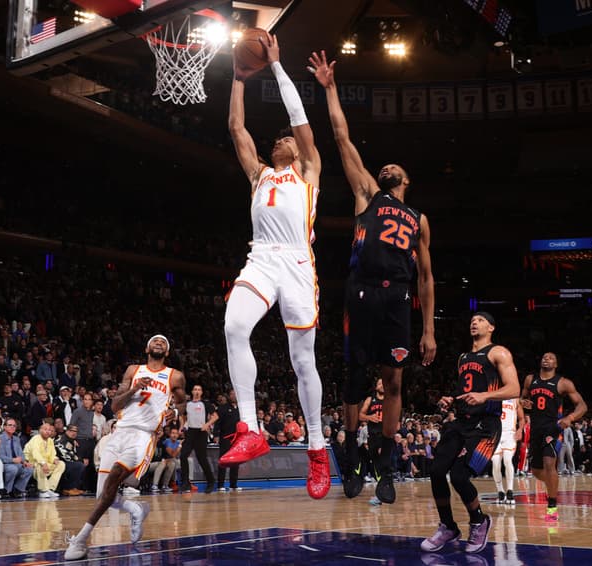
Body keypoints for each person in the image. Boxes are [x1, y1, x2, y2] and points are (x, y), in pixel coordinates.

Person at [308, 51, 436, 503]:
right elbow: (341, 138)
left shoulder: (418, 219)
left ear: (407, 179)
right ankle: (351, 453)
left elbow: (426, 278)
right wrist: (329, 88)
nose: (385, 168)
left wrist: (430, 330)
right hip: (361, 292)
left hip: (398, 299)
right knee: (355, 375)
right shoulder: (367, 194)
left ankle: (384, 463)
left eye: (393, 169)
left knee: (395, 380)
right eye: (383, 168)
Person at [221, 33, 330, 499]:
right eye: (280, 138)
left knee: (301, 360)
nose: (284, 137)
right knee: (233, 327)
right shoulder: (260, 173)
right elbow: (236, 129)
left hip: (298, 264)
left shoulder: (307, 169)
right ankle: (250, 426)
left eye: (288, 136)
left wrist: (279, 66)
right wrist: (240, 78)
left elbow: (299, 116)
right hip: (261, 257)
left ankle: (318, 450)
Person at [65, 335, 186, 561]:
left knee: (112, 483)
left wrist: (176, 413)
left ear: (167, 352)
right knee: (103, 495)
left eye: (164, 343)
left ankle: (81, 540)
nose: (159, 343)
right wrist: (134, 389)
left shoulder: (174, 375)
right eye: (155, 341)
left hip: (143, 436)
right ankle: (134, 509)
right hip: (119, 432)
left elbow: (181, 401)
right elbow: (115, 404)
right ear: (147, 347)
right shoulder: (133, 371)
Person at [421, 313, 519, 554]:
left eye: (481, 320)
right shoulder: (463, 358)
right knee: (435, 470)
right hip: (461, 422)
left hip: (486, 425)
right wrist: (450, 400)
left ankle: (479, 520)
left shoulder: (499, 353)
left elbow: (514, 388)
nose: (474, 322)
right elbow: (466, 391)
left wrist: (485, 396)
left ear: (491, 327)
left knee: (459, 476)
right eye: (472, 319)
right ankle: (448, 526)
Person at [521, 352, 587, 521]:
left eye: (551, 358)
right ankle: (552, 484)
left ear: (556, 364)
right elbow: (522, 398)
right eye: (544, 357)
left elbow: (582, 406)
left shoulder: (563, 383)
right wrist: (523, 402)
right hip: (535, 428)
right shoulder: (530, 379)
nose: (546, 359)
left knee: (550, 464)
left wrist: (570, 418)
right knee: (536, 471)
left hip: (553, 428)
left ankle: (552, 506)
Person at [179, 384, 217, 493]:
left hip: (201, 432)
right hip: (190, 432)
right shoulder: (188, 404)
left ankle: (211, 481)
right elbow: (183, 416)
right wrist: (182, 426)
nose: (197, 391)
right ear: (192, 391)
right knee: (183, 456)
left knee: (202, 459)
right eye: (195, 389)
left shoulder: (205, 403)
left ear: (201, 392)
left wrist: (207, 424)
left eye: (199, 390)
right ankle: (186, 483)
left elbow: (215, 416)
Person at [491, 397, 524, 504]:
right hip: (495, 433)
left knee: (507, 460)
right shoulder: (494, 396)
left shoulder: (515, 399)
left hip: (510, 434)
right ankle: (500, 491)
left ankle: (510, 491)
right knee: (495, 462)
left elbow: (522, 418)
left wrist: (520, 429)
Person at [24, 421, 65, 498]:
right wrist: (43, 463)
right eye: (45, 429)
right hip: (33, 464)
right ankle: (43, 491)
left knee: (61, 464)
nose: (48, 431)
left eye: (49, 430)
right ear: (40, 430)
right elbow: (36, 454)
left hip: (46, 464)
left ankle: (50, 488)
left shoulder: (50, 441)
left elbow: (52, 454)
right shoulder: (36, 439)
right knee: (40, 465)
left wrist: (55, 459)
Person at [0, 417, 34, 497]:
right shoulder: (0, 438)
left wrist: (24, 462)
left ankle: (18, 489)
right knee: (13, 468)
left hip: (17, 463)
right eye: (10, 425)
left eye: (14, 426)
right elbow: (0, 456)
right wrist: (13, 460)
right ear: (4, 427)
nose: (12, 427)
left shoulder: (16, 439)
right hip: (5, 463)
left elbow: (21, 454)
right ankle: (6, 490)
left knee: (29, 468)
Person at [214, 391, 241, 492]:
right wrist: (216, 434)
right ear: (229, 396)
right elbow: (217, 423)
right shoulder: (223, 408)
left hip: (237, 439)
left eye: (235, 394)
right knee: (223, 461)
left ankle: (233, 485)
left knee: (236, 462)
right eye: (232, 394)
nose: (234, 396)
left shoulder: (240, 409)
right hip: (225, 438)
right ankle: (220, 484)